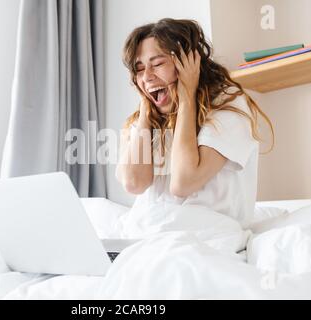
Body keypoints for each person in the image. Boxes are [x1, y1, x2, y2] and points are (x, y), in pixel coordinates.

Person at [115, 18, 274, 239]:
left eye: (158, 63)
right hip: (147, 235)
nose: (147, 76)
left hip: (206, 235)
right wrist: (145, 107)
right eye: (139, 69)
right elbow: (134, 183)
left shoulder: (228, 106)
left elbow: (184, 182)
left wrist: (187, 97)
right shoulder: (141, 120)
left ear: (188, 63)